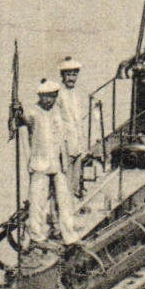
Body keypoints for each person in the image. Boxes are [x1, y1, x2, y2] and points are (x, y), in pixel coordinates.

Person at [11, 78, 76, 246]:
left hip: (58, 164)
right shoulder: (33, 112)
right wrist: (17, 111)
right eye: (46, 97)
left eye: (53, 96)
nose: (50, 100)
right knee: (37, 202)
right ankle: (37, 236)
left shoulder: (57, 111)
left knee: (64, 201)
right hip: (40, 164)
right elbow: (20, 121)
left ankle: (69, 234)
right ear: (40, 96)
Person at [56, 57, 88, 196]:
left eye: (74, 74)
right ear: (62, 76)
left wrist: (83, 143)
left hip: (77, 143)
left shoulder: (76, 95)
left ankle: (74, 200)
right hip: (65, 143)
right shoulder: (59, 95)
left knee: (75, 178)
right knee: (64, 180)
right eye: (68, 74)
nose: (71, 78)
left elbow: (78, 121)